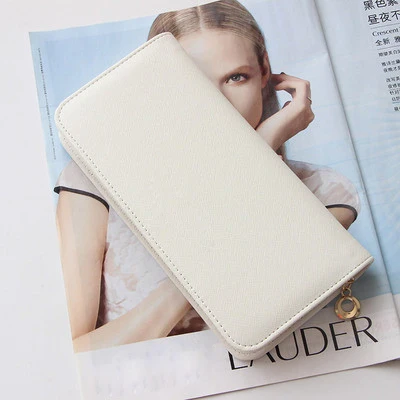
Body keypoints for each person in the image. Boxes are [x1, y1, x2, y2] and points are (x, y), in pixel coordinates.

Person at [54, 0, 361, 352]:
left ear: (265, 73)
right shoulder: (93, 180)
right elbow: (78, 354)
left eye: (235, 77)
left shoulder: (325, 192)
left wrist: (257, 159)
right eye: (190, 80)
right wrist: (256, 155)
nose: (216, 102)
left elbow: (270, 321)